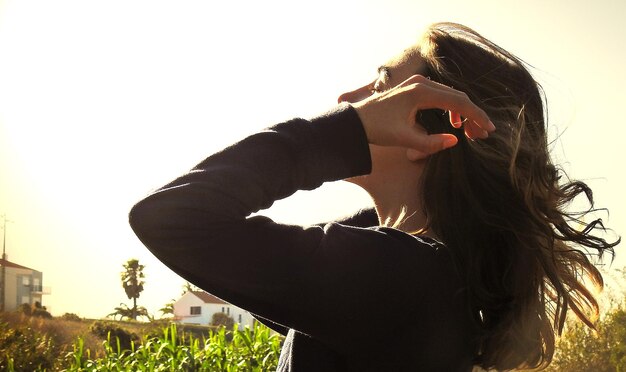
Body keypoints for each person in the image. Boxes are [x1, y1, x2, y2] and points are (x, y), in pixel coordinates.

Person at [129, 23, 618, 371]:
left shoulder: (397, 274)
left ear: (428, 136)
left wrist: (347, 133)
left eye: (382, 89)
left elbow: (170, 217)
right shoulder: (422, 269)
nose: (351, 101)